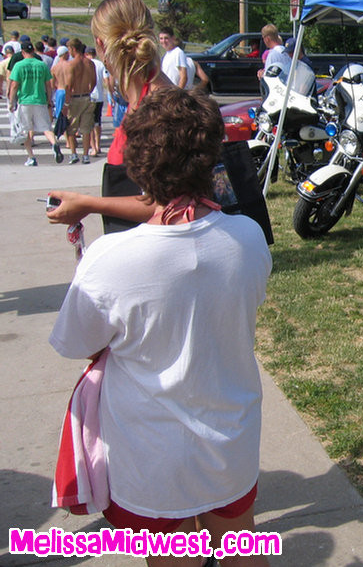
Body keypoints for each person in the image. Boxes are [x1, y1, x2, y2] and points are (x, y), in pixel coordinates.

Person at [49, 86, 272, 567]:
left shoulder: (112, 259)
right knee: (241, 548)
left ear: (137, 164)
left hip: (149, 451)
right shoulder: (248, 238)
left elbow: (75, 344)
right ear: (211, 155)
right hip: (230, 436)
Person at [47, 0, 174, 228]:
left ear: (101, 45)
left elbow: (165, 205)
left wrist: (87, 204)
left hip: (152, 253)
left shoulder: (159, 106)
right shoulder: (148, 96)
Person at [8, 40, 64, 166]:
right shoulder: (41, 65)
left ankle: (31, 157)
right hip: (40, 100)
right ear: (33, 51)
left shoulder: (19, 65)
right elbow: (48, 85)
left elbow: (14, 85)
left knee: (26, 130)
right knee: (46, 128)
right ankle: (54, 144)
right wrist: (49, 100)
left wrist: (12, 102)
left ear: (22, 52)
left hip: (25, 101)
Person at [62, 37, 98, 164]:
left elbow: (68, 85)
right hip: (87, 96)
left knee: (71, 127)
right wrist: (88, 90)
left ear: (73, 49)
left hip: (75, 97)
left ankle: (73, 153)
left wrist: (66, 103)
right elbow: (94, 82)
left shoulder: (71, 65)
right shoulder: (90, 63)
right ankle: (85, 155)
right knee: (86, 128)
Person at [87, 47, 109, 157]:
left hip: (90, 95)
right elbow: (106, 80)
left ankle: (93, 147)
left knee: (89, 123)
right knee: (97, 121)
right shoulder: (100, 64)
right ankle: (98, 144)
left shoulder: (86, 63)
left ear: (86, 54)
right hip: (99, 95)